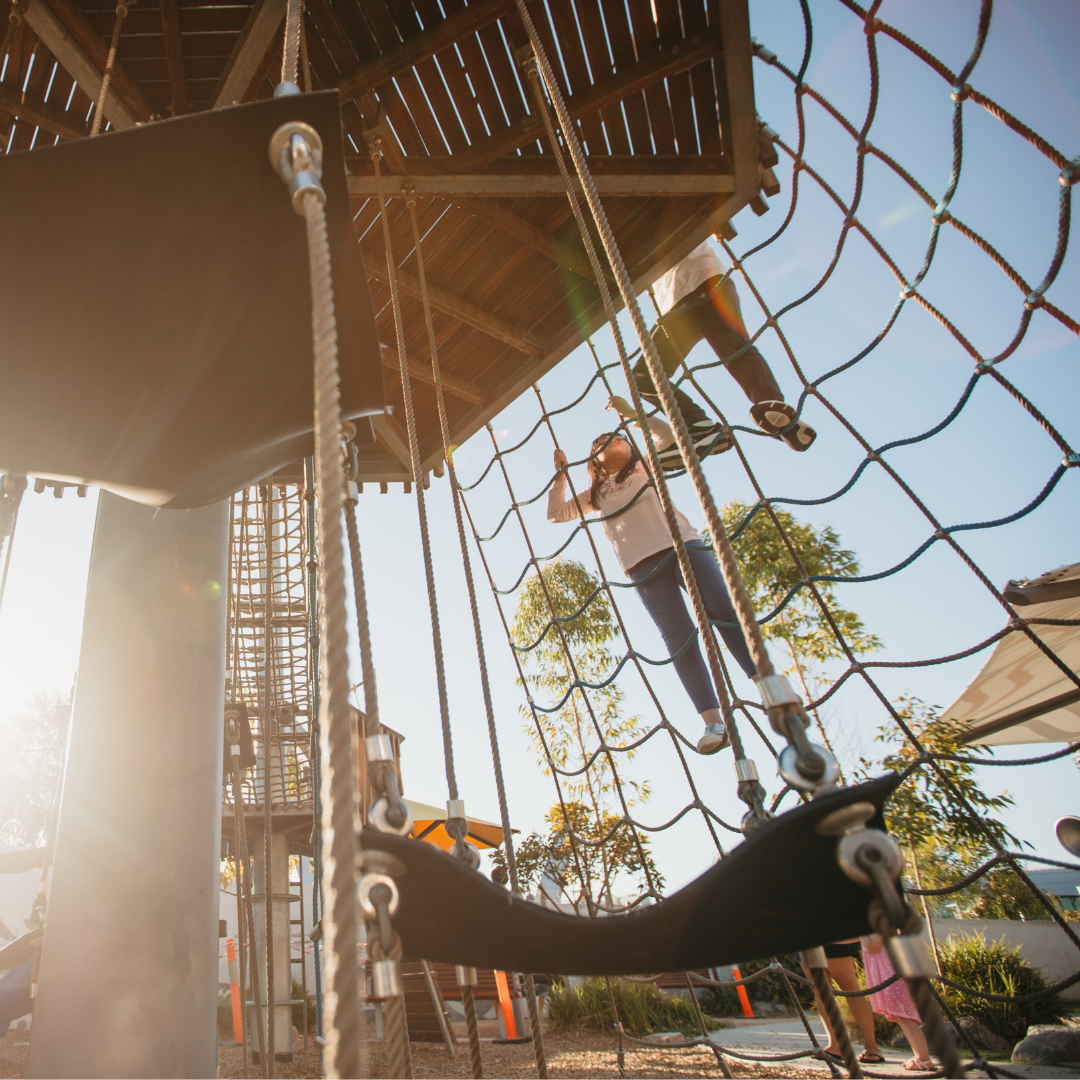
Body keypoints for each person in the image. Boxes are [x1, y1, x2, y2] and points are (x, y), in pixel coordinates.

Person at [547, 415, 757, 754]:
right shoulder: (597, 493)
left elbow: (667, 437)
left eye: (616, 436)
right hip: (642, 565)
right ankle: (713, 722)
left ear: (630, 446)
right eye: (599, 442)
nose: (609, 440)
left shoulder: (644, 467)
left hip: (682, 546)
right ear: (594, 461)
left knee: (722, 611)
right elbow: (557, 513)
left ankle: (765, 683)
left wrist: (632, 415)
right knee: (679, 640)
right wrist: (560, 475)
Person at [630, 239, 816, 467]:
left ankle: (772, 407)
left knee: (732, 346)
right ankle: (701, 427)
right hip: (673, 305)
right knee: (644, 376)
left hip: (705, 278)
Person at [861, 933, 935, 1071]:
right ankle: (920, 1057)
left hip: (892, 974)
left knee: (904, 1017)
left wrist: (861, 932)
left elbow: (873, 946)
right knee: (900, 1017)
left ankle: (923, 1058)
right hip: (886, 974)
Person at [805, 941, 885, 1066]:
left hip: (833, 935)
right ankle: (834, 1045)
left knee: (849, 987)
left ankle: (871, 1047)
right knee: (819, 989)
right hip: (805, 937)